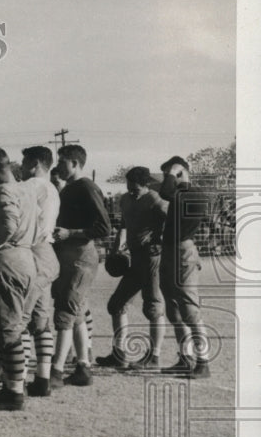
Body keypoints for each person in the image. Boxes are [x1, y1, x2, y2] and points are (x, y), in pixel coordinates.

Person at [0, 147, 40, 411]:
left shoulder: (3, 191)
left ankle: (14, 393)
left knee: (6, 326)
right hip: (27, 257)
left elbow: (8, 224)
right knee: (13, 323)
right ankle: (13, 383)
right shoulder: (27, 189)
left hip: (9, 259)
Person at [49, 145, 111, 388]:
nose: (58, 166)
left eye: (62, 161)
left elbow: (105, 228)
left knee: (65, 312)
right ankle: (83, 366)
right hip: (69, 255)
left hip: (80, 256)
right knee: (76, 313)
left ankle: (55, 371)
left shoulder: (86, 186)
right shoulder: (70, 188)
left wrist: (70, 233)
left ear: (75, 163)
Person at [95, 166, 167, 372]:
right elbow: (124, 226)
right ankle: (120, 353)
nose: (131, 190)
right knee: (116, 304)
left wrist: (159, 240)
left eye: (136, 188)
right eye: (129, 186)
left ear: (146, 185)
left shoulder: (155, 199)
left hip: (153, 258)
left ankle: (155, 357)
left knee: (153, 307)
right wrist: (117, 248)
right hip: (135, 258)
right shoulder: (126, 199)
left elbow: (174, 224)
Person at [157, 155, 211, 377]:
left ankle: (203, 362)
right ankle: (185, 358)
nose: (166, 179)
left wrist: (174, 171)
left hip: (182, 252)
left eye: (168, 174)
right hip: (170, 250)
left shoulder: (192, 193)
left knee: (189, 309)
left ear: (179, 173)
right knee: (174, 309)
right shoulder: (182, 194)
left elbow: (165, 192)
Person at [19, 146, 61, 397]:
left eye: (24, 162)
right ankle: (43, 377)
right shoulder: (52, 188)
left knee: (20, 317)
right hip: (47, 250)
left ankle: (18, 378)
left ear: (34, 163)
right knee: (41, 318)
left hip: (31, 249)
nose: (21, 167)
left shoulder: (31, 186)